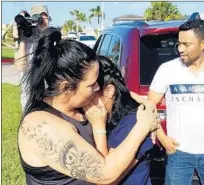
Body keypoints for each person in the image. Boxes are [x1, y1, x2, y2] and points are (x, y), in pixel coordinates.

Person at [18, 27, 159, 185]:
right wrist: (144, 125)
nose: (97, 88)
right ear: (66, 88)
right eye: (92, 85)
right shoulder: (42, 126)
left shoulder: (76, 104)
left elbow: (114, 90)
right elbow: (105, 175)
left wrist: (146, 103)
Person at [148, 18, 204, 185]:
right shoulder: (167, 70)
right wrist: (163, 138)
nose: (180, 49)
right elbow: (149, 106)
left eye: (186, 44)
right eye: (179, 44)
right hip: (178, 153)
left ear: (203, 43)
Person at [83, 56, 153, 185]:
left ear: (109, 91)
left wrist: (99, 128)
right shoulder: (104, 116)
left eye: (91, 90)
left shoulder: (131, 123)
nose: (84, 97)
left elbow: (107, 178)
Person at [13, 5, 51, 111]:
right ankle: (27, 115)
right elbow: (16, 36)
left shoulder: (50, 33)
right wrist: (21, 23)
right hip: (28, 68)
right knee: (27, 92)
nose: (42, 20)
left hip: (45, 72)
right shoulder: (27, 31)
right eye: (39, 16)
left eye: (45, 16)